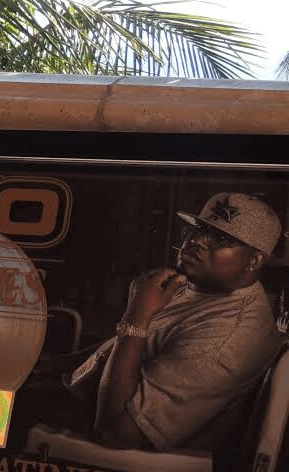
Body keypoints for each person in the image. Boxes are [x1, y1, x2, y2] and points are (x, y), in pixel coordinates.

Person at [66, 192, 285, 457]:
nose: (197, 241)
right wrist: (58, 366)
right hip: (77, 399)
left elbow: (116, 435)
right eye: (200, 228)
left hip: (88, 439)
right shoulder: (203, 288)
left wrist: (136, 315)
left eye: (222, 238)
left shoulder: (228, 337)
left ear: (254, 261)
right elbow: (128, 350)